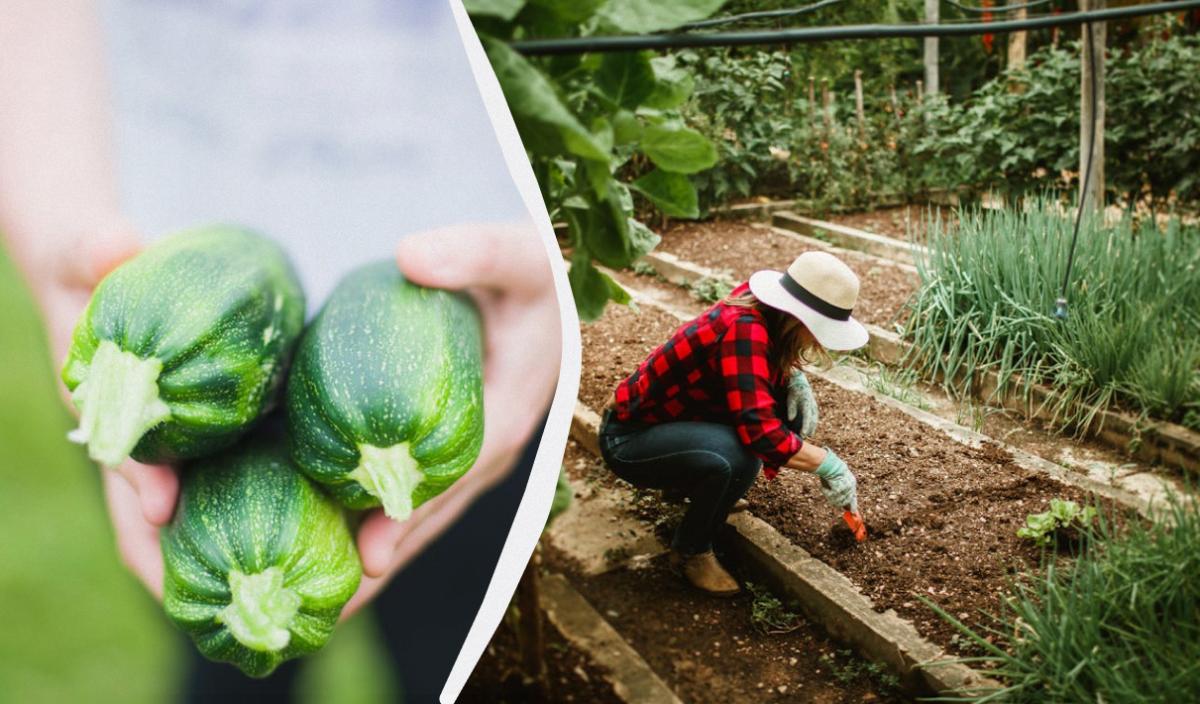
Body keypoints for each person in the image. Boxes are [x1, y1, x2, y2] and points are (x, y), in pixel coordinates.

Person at [0, 1, 563, 700]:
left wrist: (565, 268)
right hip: (160, 265)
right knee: (228, 666)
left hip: (489, 310)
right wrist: (60, 217)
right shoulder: (137, 348)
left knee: (460, 657)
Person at [598, 251, 867, 597]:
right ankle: (690, 552)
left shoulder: (757, 308)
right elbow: (762, 434)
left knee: (778, 421)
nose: (818, 341)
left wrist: (793, 377)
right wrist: (830, 465)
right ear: (799, 318)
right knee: (739, 457)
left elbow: (752, 385)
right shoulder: (744, 329)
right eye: (818, 330)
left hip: (668, 424)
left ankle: (689, 485)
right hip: (628, 440)